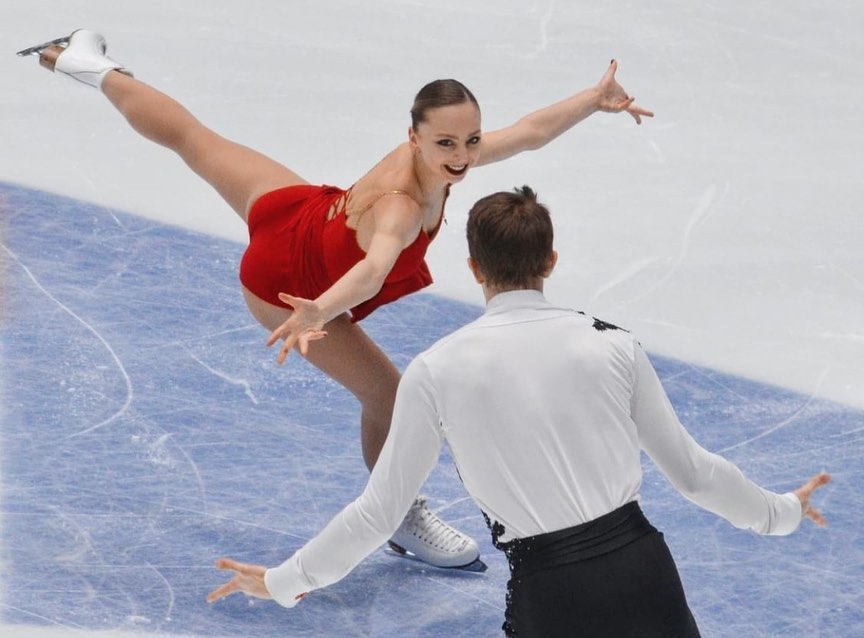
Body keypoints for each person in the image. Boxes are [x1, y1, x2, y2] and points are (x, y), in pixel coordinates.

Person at [19, 29, 653, 570]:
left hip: (297, 213)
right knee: (391, 395)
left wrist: (593, 101)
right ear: (413, 136)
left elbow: (534, 131)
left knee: (192, 137)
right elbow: (376, 269)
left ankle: (82, 62)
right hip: (284, 286)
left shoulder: (444, 155)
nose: (463, 158)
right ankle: (397, 516)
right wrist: (318, 310)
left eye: (470, 141)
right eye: (446, 145)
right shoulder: (402, 207)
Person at [206, 186, 831, 637]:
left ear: (474, 268)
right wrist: (781, 513)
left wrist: (285, 581)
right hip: (647, 578)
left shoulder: (436, 370)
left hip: (551, 593)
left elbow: (381, 512)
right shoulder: (613, 343)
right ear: (551, 262)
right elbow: (695, 474)